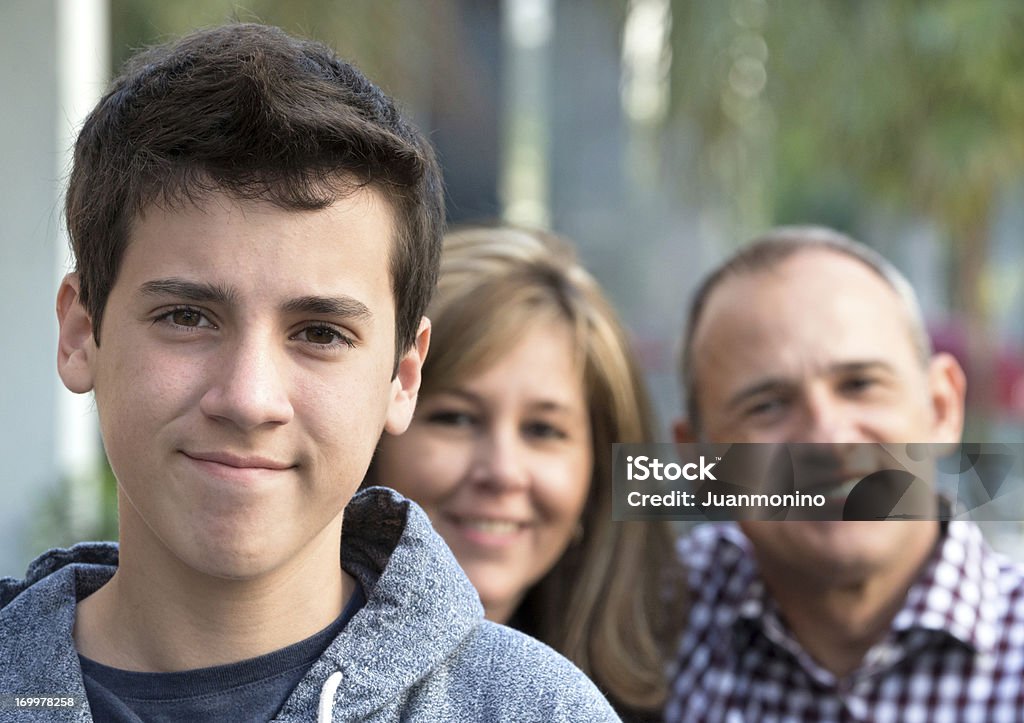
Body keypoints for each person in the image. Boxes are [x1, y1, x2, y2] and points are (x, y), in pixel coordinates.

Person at [0, 24, 620, 722]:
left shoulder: (536, 709)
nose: (248, 397)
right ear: (83, 333)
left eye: (320, 333)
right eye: (186, 316)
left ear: (404, 376)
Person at [665, 225, 1024, 722]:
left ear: (942, 406)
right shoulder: (645, 627)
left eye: (860, 384)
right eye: (767, 406)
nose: (827, 437)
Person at [372, 226, 683, 720]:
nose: (502, 472)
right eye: (455, 418)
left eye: (543, 430)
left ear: (597, 476)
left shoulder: (681, 666)